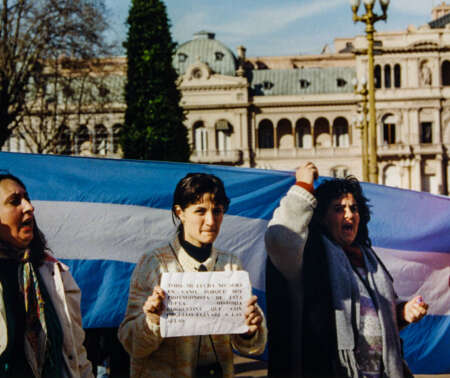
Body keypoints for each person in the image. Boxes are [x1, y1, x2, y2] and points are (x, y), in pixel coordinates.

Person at [265, 162, 428, 378]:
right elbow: (279, 239)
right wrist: (303, 185)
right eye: (339, 209)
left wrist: (402, 312)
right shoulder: (308, 256)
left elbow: (374, 318)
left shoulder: (368, 258)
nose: (349, 215)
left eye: (353, 208)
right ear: (321, 217)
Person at [118, 172, 267, 377]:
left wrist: (250, 329)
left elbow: (248, 345)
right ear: (180, 212)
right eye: (200, 211)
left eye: (217, 211)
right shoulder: (155, 264)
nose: (210, 220)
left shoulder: (231, 265)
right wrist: (151, 319)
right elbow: (131, 344)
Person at [0, 172, 93, 377]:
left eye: (27, 199)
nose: (29, 207)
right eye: (15, 201)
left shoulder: (53, 272)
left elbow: (76, 353)